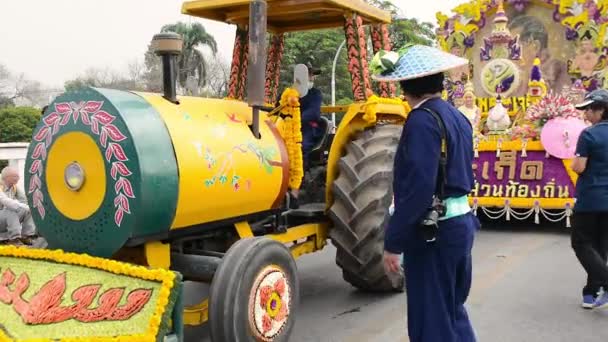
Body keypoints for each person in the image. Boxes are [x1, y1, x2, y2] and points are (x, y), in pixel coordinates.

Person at [373, 45, 479, 342]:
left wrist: (394, 243)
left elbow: (418, 189)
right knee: (451, 310)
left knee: (430, 319)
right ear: (439, 83)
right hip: (460, 224)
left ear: (404, 86)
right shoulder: (458, 117)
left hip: (435, 231)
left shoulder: (420, 121)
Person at [570, 88, 608, 310]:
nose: (586, 115)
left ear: (601, 110)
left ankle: (603, 283)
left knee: (581, 243)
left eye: (589, 110)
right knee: (600, 246)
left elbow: (579, 166)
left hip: (590, 198)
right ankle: (592, 292)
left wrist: (574, 163)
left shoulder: (589, 135)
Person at [0, 166, 37, 246]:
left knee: (28, 210)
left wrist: (31, 208)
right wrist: (24, 206)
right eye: (15, 176)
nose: (18, 178)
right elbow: (6, 201)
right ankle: (14, 239)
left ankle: (26, 236)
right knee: (11, 210)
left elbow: (25, 200)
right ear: (7, 177)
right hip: (3, 216)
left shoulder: (14, 187)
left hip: (3, 217)